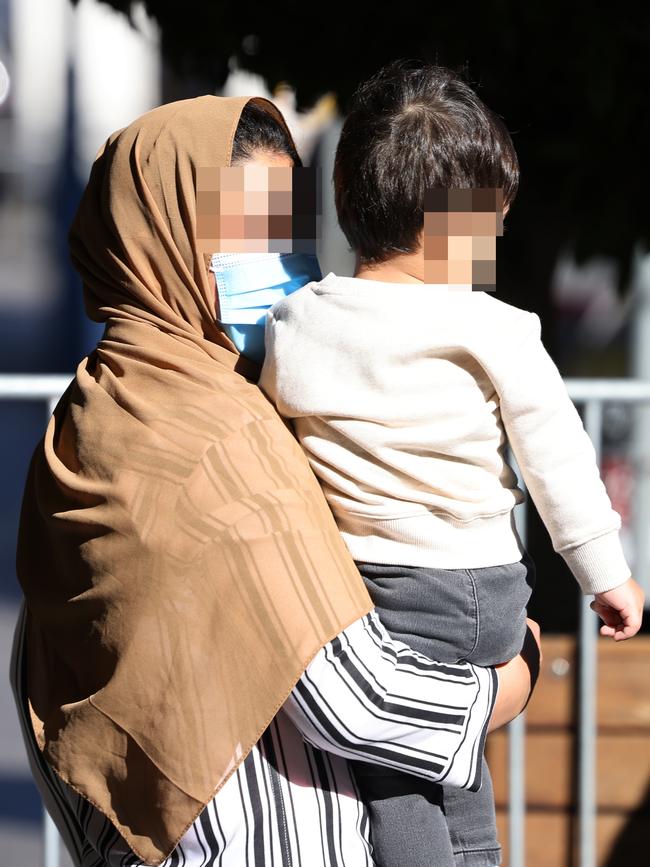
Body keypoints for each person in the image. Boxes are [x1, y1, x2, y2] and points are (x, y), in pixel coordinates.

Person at [10, 94, 539, 867]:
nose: (287, 267)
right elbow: (359, 700)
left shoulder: (91, 424)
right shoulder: (218, 437)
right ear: (164, 241)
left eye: (290, 233)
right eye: (252, 238)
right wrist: (515, 678)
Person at [259, 60, 645, 867]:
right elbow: (557, 456)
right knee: (452, 757)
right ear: (454, 227)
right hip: (477, 584)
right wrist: (606, 573)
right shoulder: (495, 326)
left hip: (364, 589)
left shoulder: (297, 321)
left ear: (343, 201)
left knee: (403, 767)